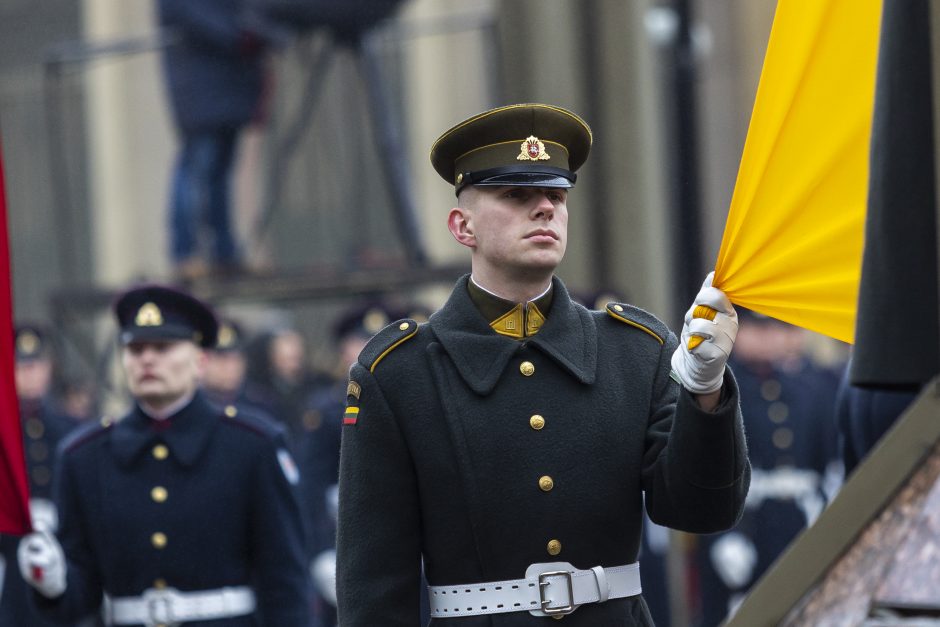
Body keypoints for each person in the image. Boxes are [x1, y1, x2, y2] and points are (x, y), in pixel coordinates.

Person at [335, 103, 750, 625]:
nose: (544, 209)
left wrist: (705, 392)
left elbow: (700, 510)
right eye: (516, 196)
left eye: (555, 195)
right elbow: (373, 586)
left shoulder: (636, 351)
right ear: (462, 226)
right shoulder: (400, 374)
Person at [16, 284, 312, 626]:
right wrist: (53, 582)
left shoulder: (252, 445)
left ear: (200, 360)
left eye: (163, 347)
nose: (147, 359)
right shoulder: (84, 455)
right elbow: (81, 595)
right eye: (135, 348)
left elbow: (284, 580)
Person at [692, 311, 842, 626]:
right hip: (746, 522)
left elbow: (825, 464)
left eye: (775, 327)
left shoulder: (803, 385)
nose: (770, 336)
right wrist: (721, 537)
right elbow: (705, 472)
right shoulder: (716, 388)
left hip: (797, 519)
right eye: (758, 328)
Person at [157, 0, 277, 280]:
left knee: (220, 173)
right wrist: (241, 36)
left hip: (231, 87)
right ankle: (185, 253)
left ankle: (224, 253)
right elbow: (198, 17)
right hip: (202, 88)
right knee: (197, 167)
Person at [0, 324, 84, 627]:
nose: (31, 374)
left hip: (64, 562)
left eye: (36, 365)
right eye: (22, 366)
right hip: (11, 565)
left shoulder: (72, 429)